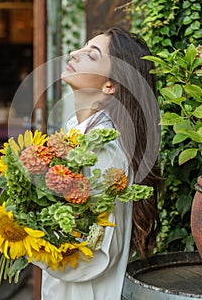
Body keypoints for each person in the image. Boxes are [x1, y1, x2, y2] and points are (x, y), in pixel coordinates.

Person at [39, 26, 162, 300]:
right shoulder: (75, 128)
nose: (75, 53)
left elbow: (99, 249)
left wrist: (29, 239)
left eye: (91, 54)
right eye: (82, 46)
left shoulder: (105, 148)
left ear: (110, 84)